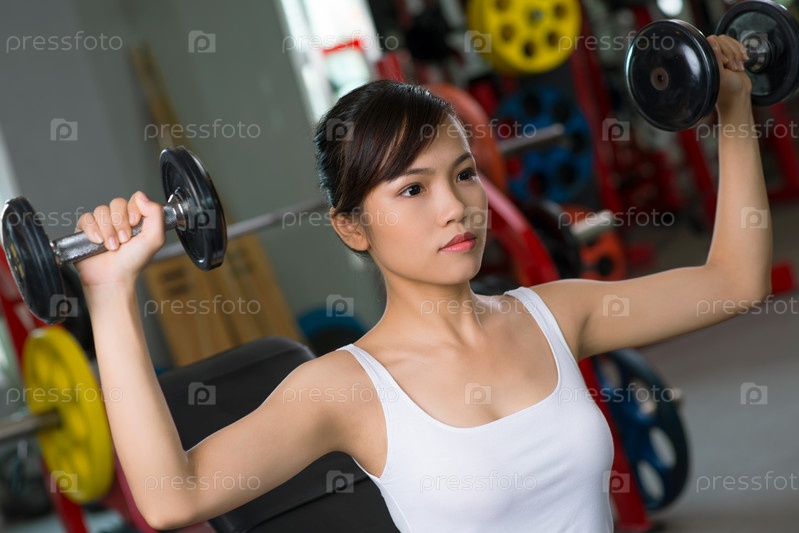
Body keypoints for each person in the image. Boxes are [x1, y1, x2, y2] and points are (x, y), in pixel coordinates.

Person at [77, 34, 770, 532]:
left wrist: (732, 107)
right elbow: (170, 497)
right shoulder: (345, 389)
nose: (455, 207)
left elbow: (734, 282)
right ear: (353, 227)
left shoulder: (556, 314)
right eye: (412, 189)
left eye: (463, 174)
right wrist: (109, 294)